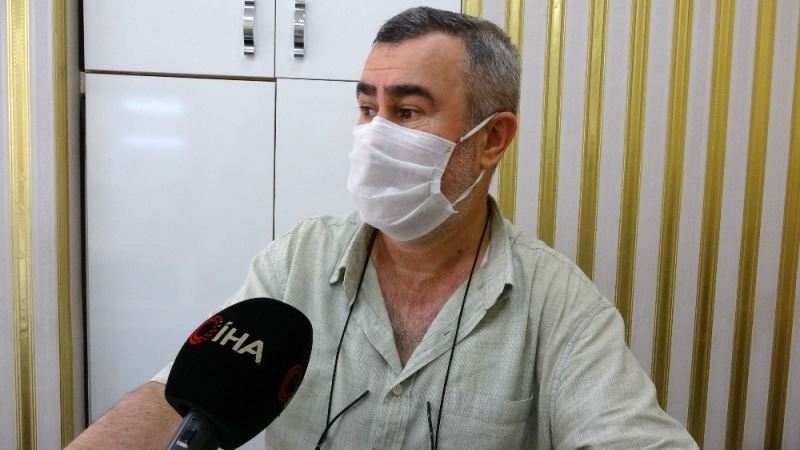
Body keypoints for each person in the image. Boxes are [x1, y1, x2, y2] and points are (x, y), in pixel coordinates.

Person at [69, 7, 698, 449]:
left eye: (408, 111)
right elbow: (182, 396)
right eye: (368, 107)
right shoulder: (299, 261)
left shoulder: (556, 303)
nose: (374, 135)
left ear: (492, 140)